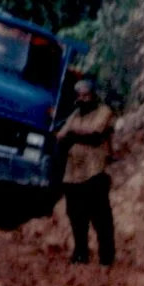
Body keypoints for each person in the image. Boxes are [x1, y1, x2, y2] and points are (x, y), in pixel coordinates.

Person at [57, 76, 116, 266]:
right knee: (76, 217)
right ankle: (81, 253)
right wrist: (72, 135)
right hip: (73, 173)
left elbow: (95, 134)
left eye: (86, 96)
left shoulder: (104, 112)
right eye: (79, 96)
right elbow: (61, 136)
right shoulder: (75, 115)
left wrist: (73, 135)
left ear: (94, 96)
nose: (82, 99)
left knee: (101, 219)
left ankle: (107, 257)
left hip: (94, 173)